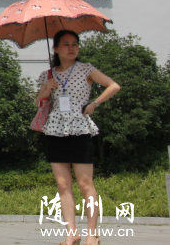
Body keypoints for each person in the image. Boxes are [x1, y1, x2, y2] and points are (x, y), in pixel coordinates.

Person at [35, 29, 121, 245]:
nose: (71, 48)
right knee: (63, 184)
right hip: (55, 130)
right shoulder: (48, 74)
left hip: (80, 129)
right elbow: (38, 102)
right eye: (66, 44)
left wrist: (95, 103)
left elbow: (113, 86)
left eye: (74, 43)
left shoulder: (86, 69)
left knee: (84, 183)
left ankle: (92, 233)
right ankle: (71, 233)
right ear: (56, 49)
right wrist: (47, 89)